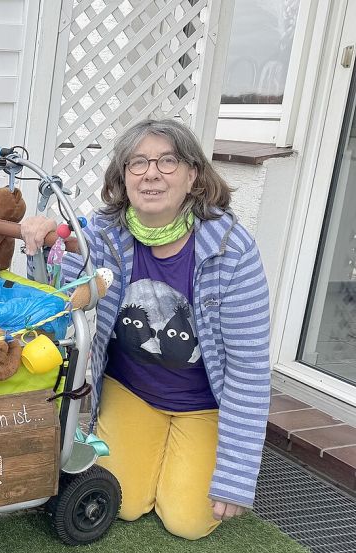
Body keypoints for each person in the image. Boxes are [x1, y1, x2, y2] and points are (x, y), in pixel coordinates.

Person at [20, 119, 270, 540]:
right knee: (125, 502)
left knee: (187, 522)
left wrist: (236, 474)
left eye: (167, 161)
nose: (151, 173)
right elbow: (57, 298)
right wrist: (42, 244)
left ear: (193, 176)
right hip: (131, 390)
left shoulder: (231, 250)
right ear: (123, 177)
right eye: (137, 163)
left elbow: (248, 367)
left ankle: (184, 456)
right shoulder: (102, 234)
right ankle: (155, 455)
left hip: (202, 403)